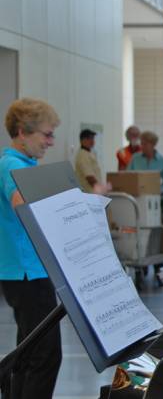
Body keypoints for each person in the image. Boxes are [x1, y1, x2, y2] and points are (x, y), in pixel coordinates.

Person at [0, 98, 62, 398]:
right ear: (24, 132)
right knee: (45, 356)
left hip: (29, 271)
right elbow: (21, 205)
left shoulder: (25, 164)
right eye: (46, 135)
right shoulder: (13, 165)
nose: (51, 142)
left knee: (28, 353)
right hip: (27, 274)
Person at [127, 131, 163, 221]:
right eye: (141, 143)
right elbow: (127, 177)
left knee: (157, 225)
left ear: (153, 145)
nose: (141, 146)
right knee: (139, 224)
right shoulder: (135, 158)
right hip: (138, 198)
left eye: (145, 144)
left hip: (156, 199)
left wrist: (161, 191)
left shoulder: (162, 160)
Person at [74, 129, 102, 193]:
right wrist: (100, 190)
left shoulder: (89, 153)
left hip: (93, 193)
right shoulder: (83, 155)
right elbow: (89, 177)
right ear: (83, 140)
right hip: (89, 193)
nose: (92, 141)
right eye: (90, 138)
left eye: (93, 138)